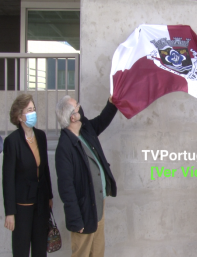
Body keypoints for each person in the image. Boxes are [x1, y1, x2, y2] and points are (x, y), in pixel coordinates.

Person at [55, 95, 118, 257]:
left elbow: (102, 121)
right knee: (82, 253)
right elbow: (66, 187)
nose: (80, 107)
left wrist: (111, 104)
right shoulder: (65, 147)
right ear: (73, 117)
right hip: (84, 211)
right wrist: (75, 219)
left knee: (97, 251)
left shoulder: (85, 130)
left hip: (98, 204)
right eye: (77, 106)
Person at [2, 93, 53, 256]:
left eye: (34, 109)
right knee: (21, 249)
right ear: (19, 116)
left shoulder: (41, 136)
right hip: (22, 205)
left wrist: (49, 196)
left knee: (40, 249)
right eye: (29, 110)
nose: (33, 113)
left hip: (41, 202)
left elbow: (45, 170)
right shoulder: (12, 141)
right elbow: (7, 179)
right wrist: (9, 212)